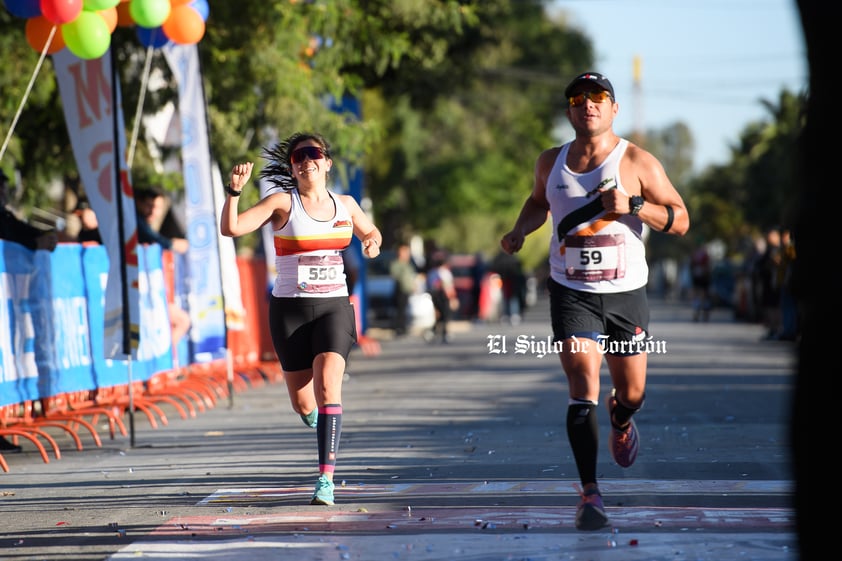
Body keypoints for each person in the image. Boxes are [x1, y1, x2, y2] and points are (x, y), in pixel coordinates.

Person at [499, 71, 689, 531]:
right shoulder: (550, 161)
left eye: (599, 97)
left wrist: (635, 207)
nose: (588, 104)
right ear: (568, 110)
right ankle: (590, 494)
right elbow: (538, 202)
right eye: (578, 98)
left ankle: (621, 419)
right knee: (581, 382)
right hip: (572, 292)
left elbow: (681, 220)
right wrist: (521, 229)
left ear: (613, 108)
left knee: (634, 393)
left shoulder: (639, 161)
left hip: (626, 294)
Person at [219, 132, 382, 506]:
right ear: (292, 168)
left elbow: (370, 230)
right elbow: (232, 229)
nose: (306, 160)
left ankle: (325, 480)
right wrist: (233, 192)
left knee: (329, 389)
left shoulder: (346, 205)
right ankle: (317, 420)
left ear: (326, 163)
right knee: (304, 403)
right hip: (289, 310)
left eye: (313, 154)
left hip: (334, 308)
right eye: (298, 156)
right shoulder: (282, 202)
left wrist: (372, 240)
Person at [134, 186, 191, 347]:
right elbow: (156, 240)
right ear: (139, 203)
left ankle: (165, 362)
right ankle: (165, 363)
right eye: (149, 206)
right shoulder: (135, 221)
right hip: (140, 295)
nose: (152, 211)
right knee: (182, 321)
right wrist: (173, 244)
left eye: (157, 207)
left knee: (181, 321)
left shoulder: (143, 222)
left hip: (149, 293)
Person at [0, 169, 58, 252]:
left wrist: (44, 235)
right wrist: (35, 244)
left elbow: (20, 229)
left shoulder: (6, 216)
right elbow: (8, 239)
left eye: (2, 185)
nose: (2, 190)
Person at [425, 252, 458, 343]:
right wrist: (453, 298)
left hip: (436, 295)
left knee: (441, 315)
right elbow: (448, 287)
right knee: (444, 315)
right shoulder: (445, 273)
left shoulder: (432, 273)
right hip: (442, 295)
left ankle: (437, 332)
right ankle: (442, 333)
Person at [389, 243, 417, 336]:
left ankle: (403, 326)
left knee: (404, 309)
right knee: (400, 309)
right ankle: (399, 327)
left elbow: (411, 276)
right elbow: (397, 275)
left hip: (407, 289)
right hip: (401, 289)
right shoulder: (397, 264)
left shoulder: (408, 264)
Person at [689, 239, 712, 322]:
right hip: (699, 278)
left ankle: (702, 313)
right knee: (700, 296)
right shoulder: (701, 255)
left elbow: (707, 266)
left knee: (702, 295)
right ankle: (698, 313)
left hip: (702, 278)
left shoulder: (701, 255)